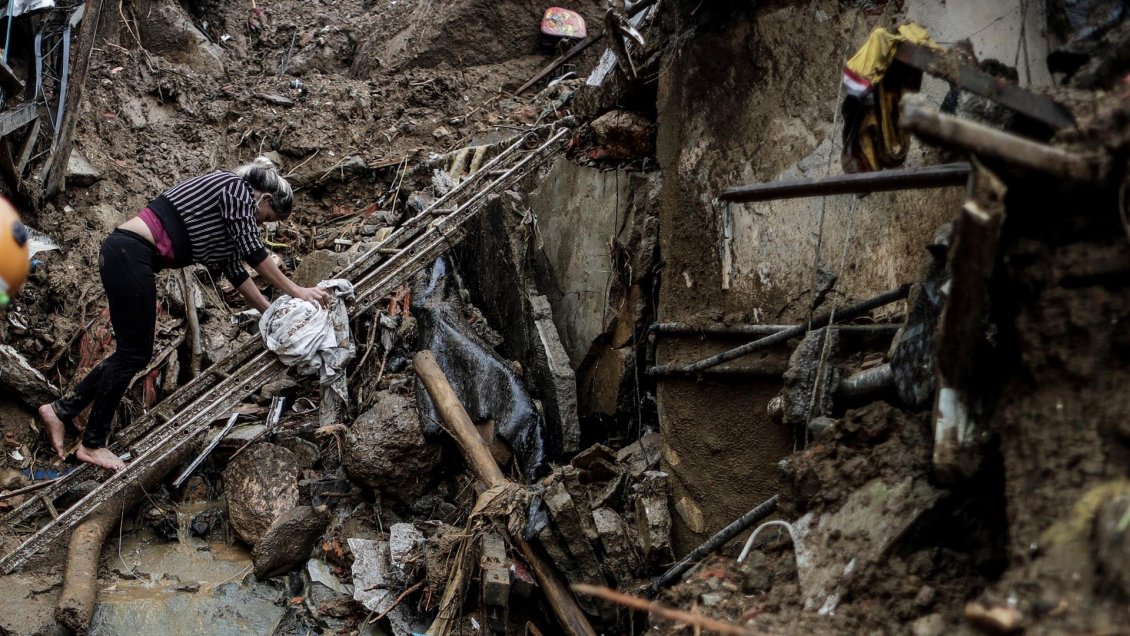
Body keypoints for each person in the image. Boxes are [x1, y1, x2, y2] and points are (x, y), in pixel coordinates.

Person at [38, 157, 328, 471]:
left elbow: (236, 271)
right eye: (265, 218)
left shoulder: (228, 221)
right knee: (134, 354)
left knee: (131, 353)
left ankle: (61, 410)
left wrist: (270, 315)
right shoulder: (235, 188)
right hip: (130, 253)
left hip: (127, 256)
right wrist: (298, 291)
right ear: (265, 199)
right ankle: (92, 444)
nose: (258, 225)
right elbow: (254, 253)